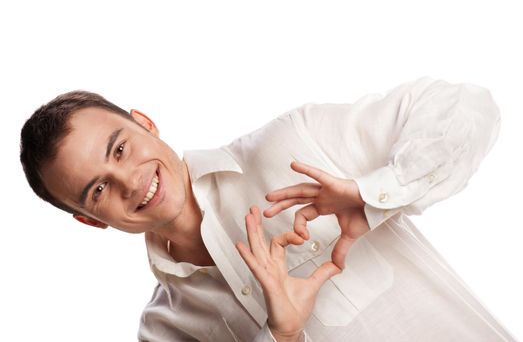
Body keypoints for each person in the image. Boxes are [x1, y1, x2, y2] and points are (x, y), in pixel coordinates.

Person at [20, 77, 516, 341]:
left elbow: (461, 105)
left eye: (120, 149)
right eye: (98, 191)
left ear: (144, 122)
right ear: (90, 220)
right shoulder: (166, 333)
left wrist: (373, 194)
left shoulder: (292, 146)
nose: (130, 181)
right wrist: (280, 335)